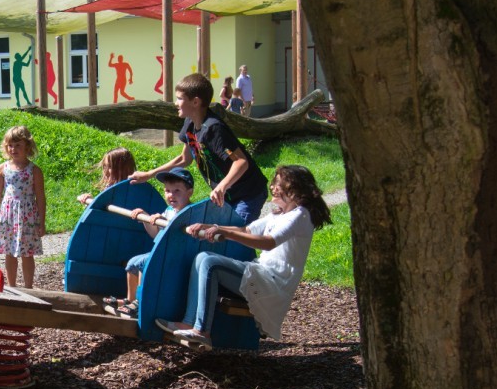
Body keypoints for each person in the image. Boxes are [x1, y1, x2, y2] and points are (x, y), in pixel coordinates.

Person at [156, 164, 332, 346]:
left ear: (294, 190)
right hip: (262, 273)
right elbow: (245, 229)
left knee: (210, 263)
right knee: (202, 258)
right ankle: (189, 321)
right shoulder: (279, 214)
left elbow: (269, 242)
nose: (272, 187)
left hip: (274, 284)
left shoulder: (301, 215)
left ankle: (202, 331)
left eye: (278, 184)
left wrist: (226, 234)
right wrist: (210, 226)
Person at [130, 73, 268, 226]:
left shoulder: (213, 129)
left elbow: (241, 162)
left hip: (248, 193)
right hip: (227, 195)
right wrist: (149, 174)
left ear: (195, 102)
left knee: (235, 236)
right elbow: (184, 159)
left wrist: (221, 187)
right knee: (220, 235)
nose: (175, 103)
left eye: (180, 98)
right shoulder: (190, 124)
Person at [104, 167, 195, 319]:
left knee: (143, 263)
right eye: (167, 191)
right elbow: (156, 235)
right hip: (162, 252)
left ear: (189, 192)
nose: (171, 195)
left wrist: (165, 222)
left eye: (177, 191)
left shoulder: (190, 212)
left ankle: (140, 302)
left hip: (176, 256)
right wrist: (145, 218)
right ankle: (130, 299)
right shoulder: (169, 211)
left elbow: (181, 236)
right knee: (133, 262)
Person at [0, 125, 46, 288]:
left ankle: (29, 287)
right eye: (10, 145)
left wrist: (41, 222)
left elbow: (41, 198)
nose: (13, 149)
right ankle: (12, 286)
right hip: (7, 216)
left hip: (27, 216)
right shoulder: (2, 169)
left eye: (18, 145)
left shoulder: (34, 170)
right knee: (9, 252)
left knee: (27, 253)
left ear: (27, 147)